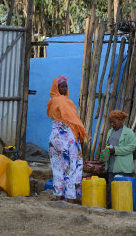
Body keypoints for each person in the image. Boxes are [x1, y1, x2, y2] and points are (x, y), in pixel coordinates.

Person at [47, 75, 88, 203]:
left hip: (54, 138)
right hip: (67, 138)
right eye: (62, 87)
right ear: (56, 88)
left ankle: (59, 196)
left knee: (58, 168)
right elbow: (72, 120)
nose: (64, 89)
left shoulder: (52, 101)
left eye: (66, 86)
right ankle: (70, 198)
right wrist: (80, 133)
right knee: (72, 167)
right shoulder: (63, 101)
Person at [105, 110, 136, 207]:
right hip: (111, 165)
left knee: (122, 191)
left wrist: (116, 150)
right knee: (111, 188)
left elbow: (131, 147)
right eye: (111, 122)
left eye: (114, 122)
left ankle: (122, 208)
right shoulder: (110, 132)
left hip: (123, 167)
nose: (112, 124)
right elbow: (109, 145)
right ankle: (112, 207)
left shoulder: (129, 133)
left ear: (121, 120)